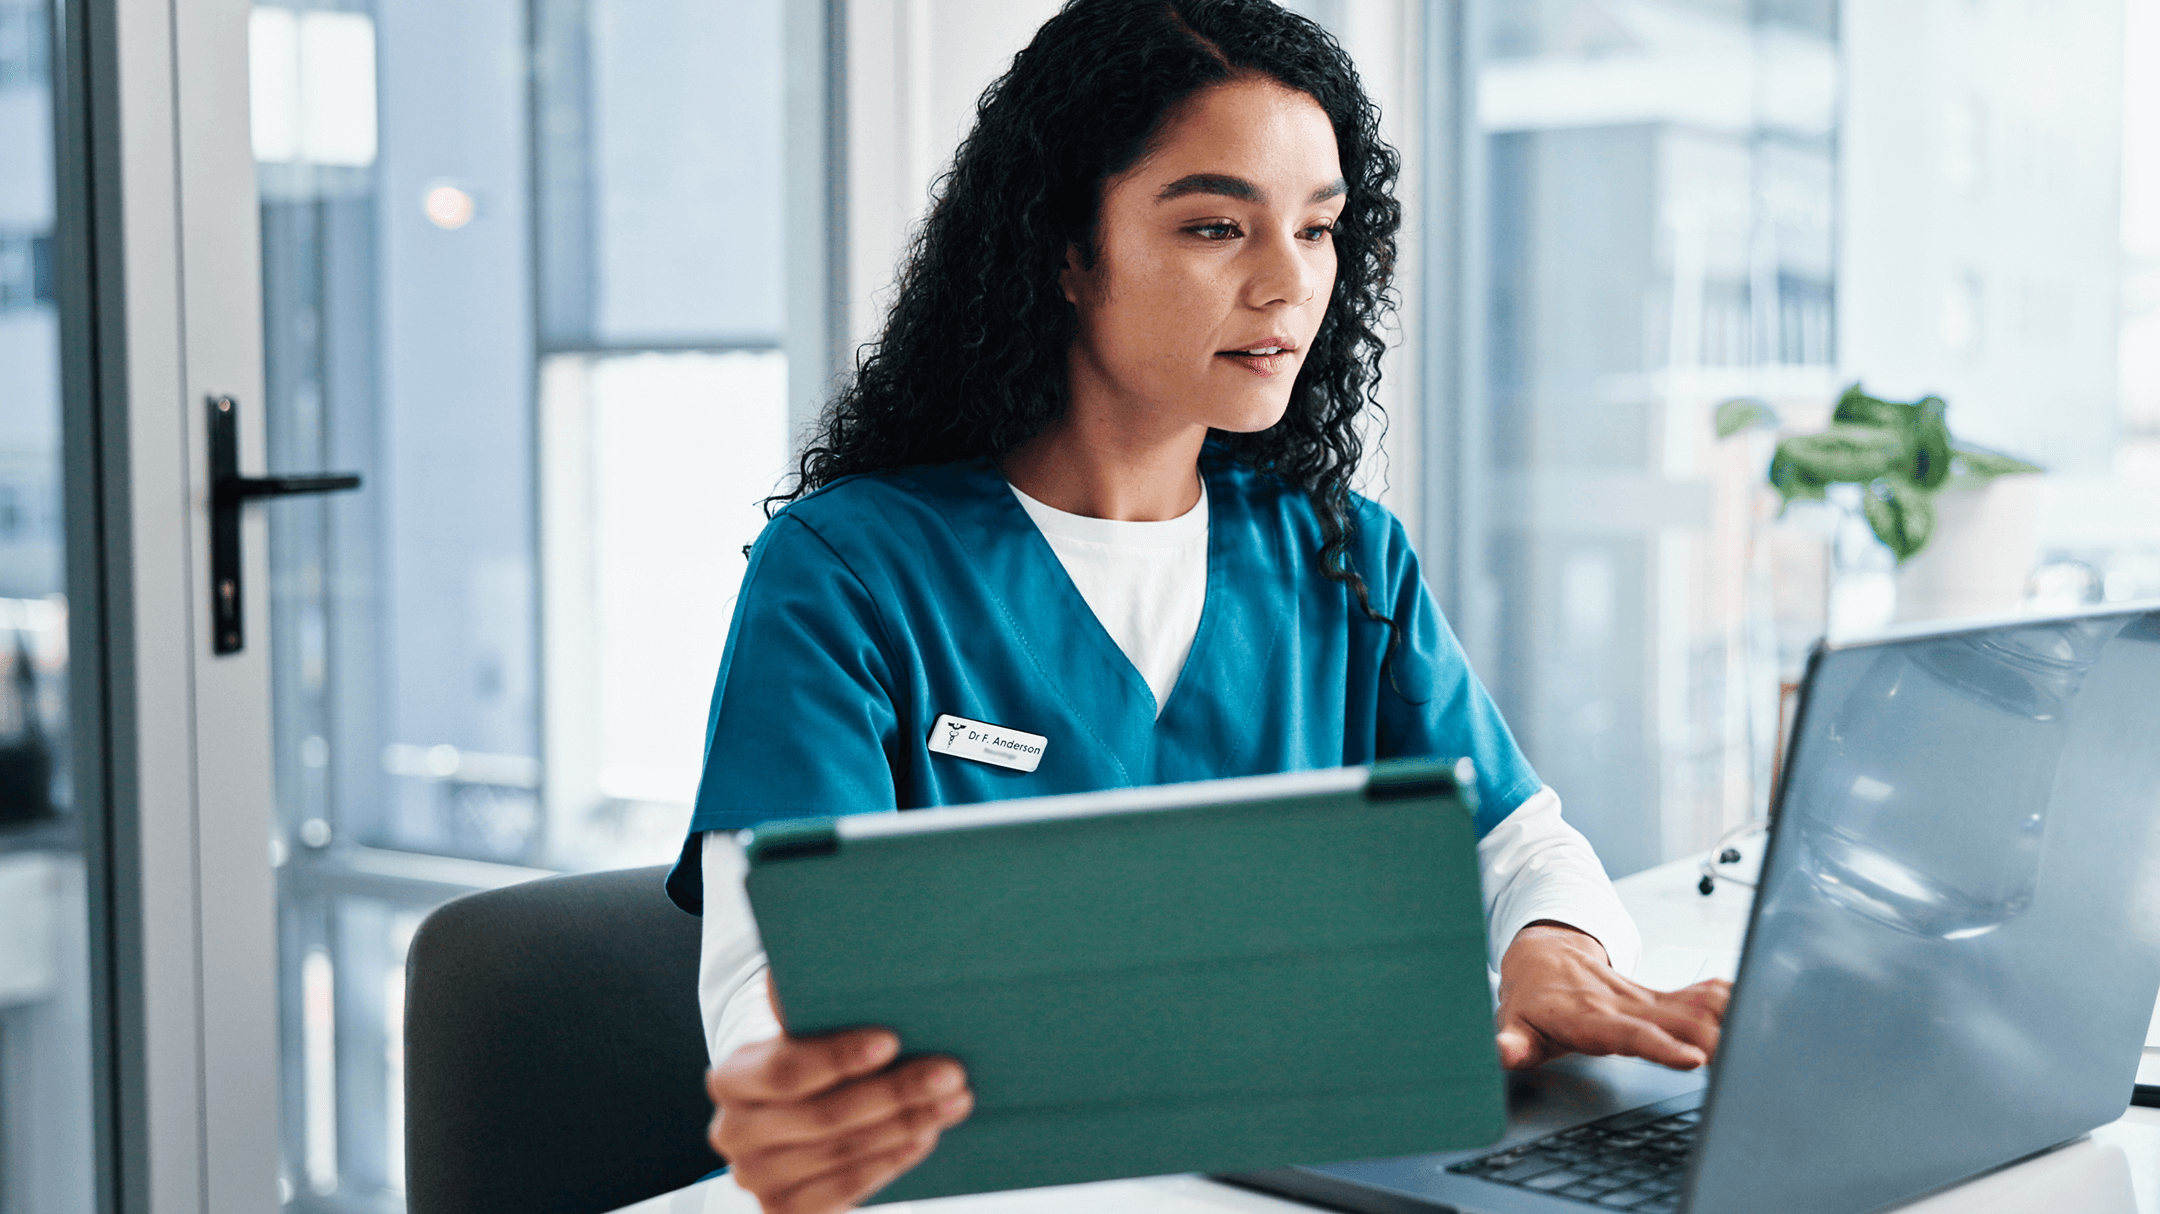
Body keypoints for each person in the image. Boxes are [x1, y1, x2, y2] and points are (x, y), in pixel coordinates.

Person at [669, 2, 1729, 1210]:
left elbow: (1517, 841)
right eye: (1218, 225)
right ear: (1065, 249)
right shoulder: (849, 571)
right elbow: (772, 963)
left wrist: (1556, 947)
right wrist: (786, 1083)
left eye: (1320, 228)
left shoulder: (1340, 556)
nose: (1289, 281)